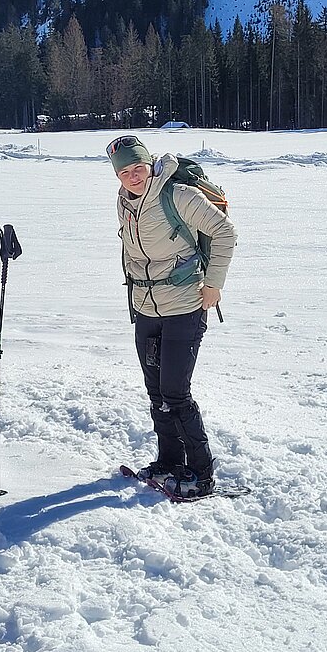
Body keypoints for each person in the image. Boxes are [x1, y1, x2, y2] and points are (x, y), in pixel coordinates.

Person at [106, 135, 237, 499]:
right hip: (146, 307)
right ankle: (170, 462)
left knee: (176, 393)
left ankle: (202, 473)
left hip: (184, 305)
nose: (133, 176)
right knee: (156, 391)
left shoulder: (177, 194)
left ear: (148, 163)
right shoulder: (124, 200)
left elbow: (224, 233)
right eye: (125, 172)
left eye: (138, 167)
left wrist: (213, 284)